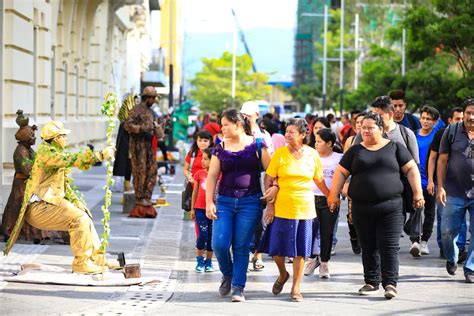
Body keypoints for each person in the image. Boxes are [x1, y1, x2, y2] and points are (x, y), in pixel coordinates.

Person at [328, 111, 424, 300]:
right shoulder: (356, 151)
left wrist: (418, 192)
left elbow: (412, 168)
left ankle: (390, 283)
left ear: (380, 129)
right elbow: (340, 172)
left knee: (389, 245)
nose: (366, 131)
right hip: (362, 207)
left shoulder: (395, 147)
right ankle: (371, 281)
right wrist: (333, 195)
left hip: (391, 206)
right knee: (368, 245)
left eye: (370, 128)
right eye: (363, 128)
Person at [3, 121, 117, 274]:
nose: (66, 139)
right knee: (79, 219)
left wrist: (76, 201)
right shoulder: (48, 154)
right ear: (56, 138)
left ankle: (96, 258)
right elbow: (69, 159)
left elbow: (61, 184)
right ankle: (81, 263)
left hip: (48, 203)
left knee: (85, 215)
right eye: (64, 136)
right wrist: (99, 155)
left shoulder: (51, 151)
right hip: (39, 208)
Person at [260, 118, 329, 302]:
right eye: (286, 131)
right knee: (276, 250)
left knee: (300, 251)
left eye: (292, 132)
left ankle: (296, 287)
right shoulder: (280, 154)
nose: (287, 134)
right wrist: (270, 204)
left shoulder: (312, 154)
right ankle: (283, 274)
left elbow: (319, 179)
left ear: (303, 134)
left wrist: (331, 196)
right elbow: (269, 179)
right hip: (281, 207)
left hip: (305, 208)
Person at [206, 108, 271, 302]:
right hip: (224, 201)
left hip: (250, 202)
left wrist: (273, 189)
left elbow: (272, 170)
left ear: (238, 124)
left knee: (241, 246)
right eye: (222, 124)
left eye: (226, 124)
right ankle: (227, 273)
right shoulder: (220, 147)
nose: (222, 128)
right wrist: (209, 201)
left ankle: (238, 287)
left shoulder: (258, 145)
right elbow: (212, 176)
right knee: (219, 243)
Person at [437, 98, 474, 283]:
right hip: (454, 191)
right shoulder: (451, 131)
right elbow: (442, 160)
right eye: (468, 113)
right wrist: (440, 186)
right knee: (446, 232)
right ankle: (452, 257)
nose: (471, 117)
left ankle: (471, 268)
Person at [426, 107, 468, 260]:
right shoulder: (444, 133)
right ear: (450, 120)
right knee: (444, 219)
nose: (461, 121)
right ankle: (445, 248)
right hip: (446, 185)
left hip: (467, 187)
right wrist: (432, 181)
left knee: (461, 221)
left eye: (461, 118)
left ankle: (461, 249)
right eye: (457, 118)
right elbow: (433, 158)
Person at [305, 128, 343, 279]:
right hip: (310, 198)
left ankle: (325, 262)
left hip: (330, 200)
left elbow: (345, 178)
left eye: (319, 141)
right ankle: (312, 259)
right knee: (310, 232)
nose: (316, 144)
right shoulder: (309, 156)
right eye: (315, 140)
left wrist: (336, 194)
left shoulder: (339, 158)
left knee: (327, 233)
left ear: (330, 144)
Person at [2, 111, 42, 243]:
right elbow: (27, 169)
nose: (34, 138)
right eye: (32, 135)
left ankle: (33, 234)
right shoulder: (21, 151)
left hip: (27, 183)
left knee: (30, 208)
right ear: (26, 137)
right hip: (21, 184)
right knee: (17, 207)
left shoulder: (28, 149)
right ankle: (10, 231)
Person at [124, 86, 164, 216]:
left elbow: (156, 130)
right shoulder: (136, 110)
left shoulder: (152, 113)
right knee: (140, 172)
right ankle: (140, 197)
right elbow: (127, 125)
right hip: (138, 146)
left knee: (152, 170)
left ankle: (147, 196)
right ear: (147, 98)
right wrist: (142, 129)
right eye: (152, 98)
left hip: (149, 146)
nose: (153, 101)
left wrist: (158, 130)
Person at [412, 105, 440, 256]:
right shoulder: (414, 135)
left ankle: (424, 242)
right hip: (414, 180)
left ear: (435, 122)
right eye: (423, 118)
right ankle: (414, 241)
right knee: (415, 210)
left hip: (430, 181)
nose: (425, 121)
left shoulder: (437, 136)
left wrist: (432, 180)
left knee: (429, 212)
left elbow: (438, 160)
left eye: (428, 119)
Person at [191, 148, 214, 273]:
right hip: (200, 209)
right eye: (202, 158)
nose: (203, 161)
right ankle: (199, 260)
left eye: (206, 159)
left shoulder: (219, 174)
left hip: (213, 210)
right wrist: (192, 208)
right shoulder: (199, 174)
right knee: (202, 235)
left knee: (211, 236)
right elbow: (194, 192)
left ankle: (209, 262)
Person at [113, 94, 137, 192]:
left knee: (129, 166)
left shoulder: (130, 114)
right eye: (135, 102)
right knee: (128, 166)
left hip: (130, 144)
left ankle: (127, 186)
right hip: (127, 145)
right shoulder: (126, 115)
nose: (136, 104)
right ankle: (127, 188)